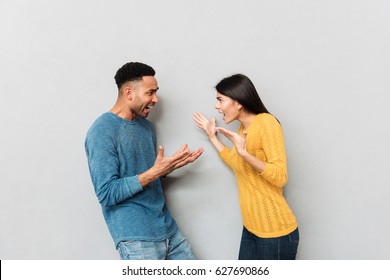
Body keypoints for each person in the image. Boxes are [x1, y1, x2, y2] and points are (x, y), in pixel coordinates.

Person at [85, 62, 203, 260]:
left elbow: (145, 173)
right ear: (129, 92)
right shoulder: (101, 131)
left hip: (168, 230)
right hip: (136, 238)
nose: (155, 99)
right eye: (150, 92)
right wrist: (156, 172)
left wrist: (167, 167)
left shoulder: (146, 127)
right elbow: (106, 193)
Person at [193, 74, 299, 260]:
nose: (216, 106)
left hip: (275, 232)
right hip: (251, 228)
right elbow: (236, 163)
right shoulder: (243, 130)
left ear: (238, 102)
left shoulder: (266, 123)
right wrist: (212, 136)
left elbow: (280, 176)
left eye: (220, 100)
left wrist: (245, 153)